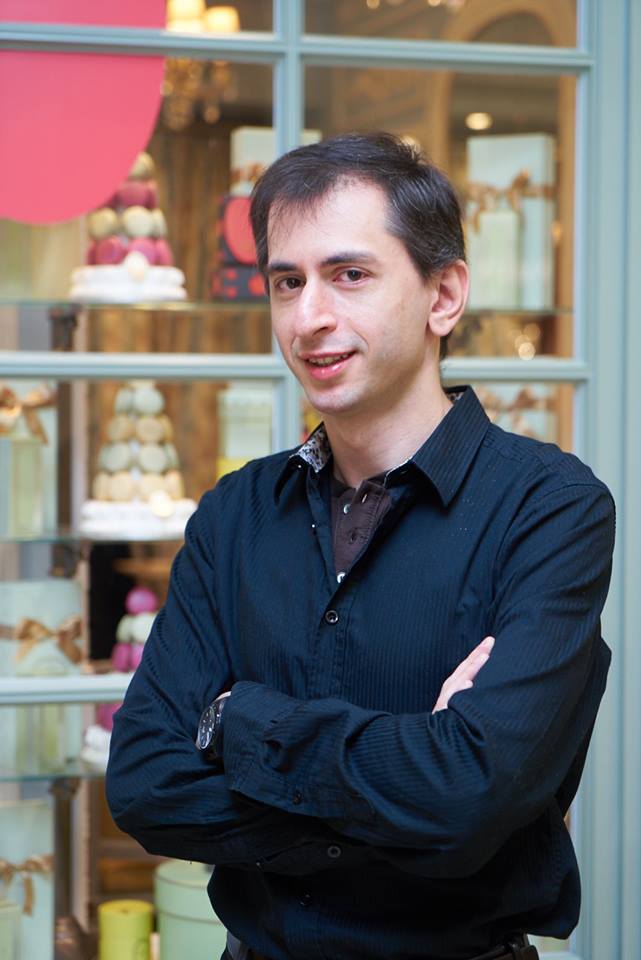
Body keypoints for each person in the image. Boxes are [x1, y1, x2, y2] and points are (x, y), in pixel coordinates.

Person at [106, 133, 615, 960]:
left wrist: (236, 719)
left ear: (442, 296)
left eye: (348, 274)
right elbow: (143, 784)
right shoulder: (232, 515)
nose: (308, 317)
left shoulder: (548, 508)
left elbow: (470, 794)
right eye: (287, 282)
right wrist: (415, 806)